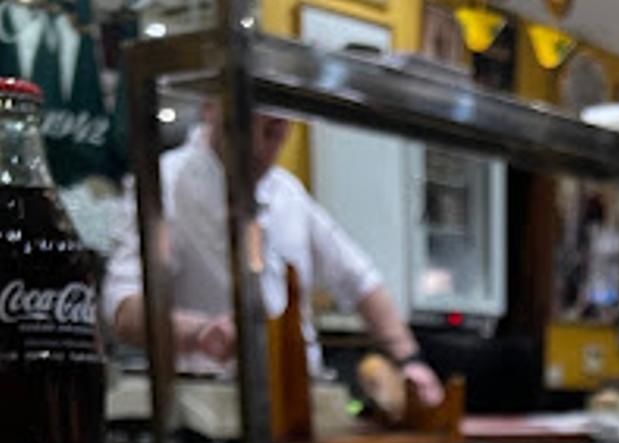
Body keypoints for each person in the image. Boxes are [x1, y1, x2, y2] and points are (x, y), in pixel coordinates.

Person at [103, 106, 443, 406]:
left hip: (299, 406)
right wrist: (200, 332)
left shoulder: (288, 192)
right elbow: (124, 311)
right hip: (207, 410)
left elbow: (360, 280)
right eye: (257, 127)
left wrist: (409, 359)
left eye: (278, 133)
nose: (265, 147)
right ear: (211, 109)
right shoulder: (163, 183)